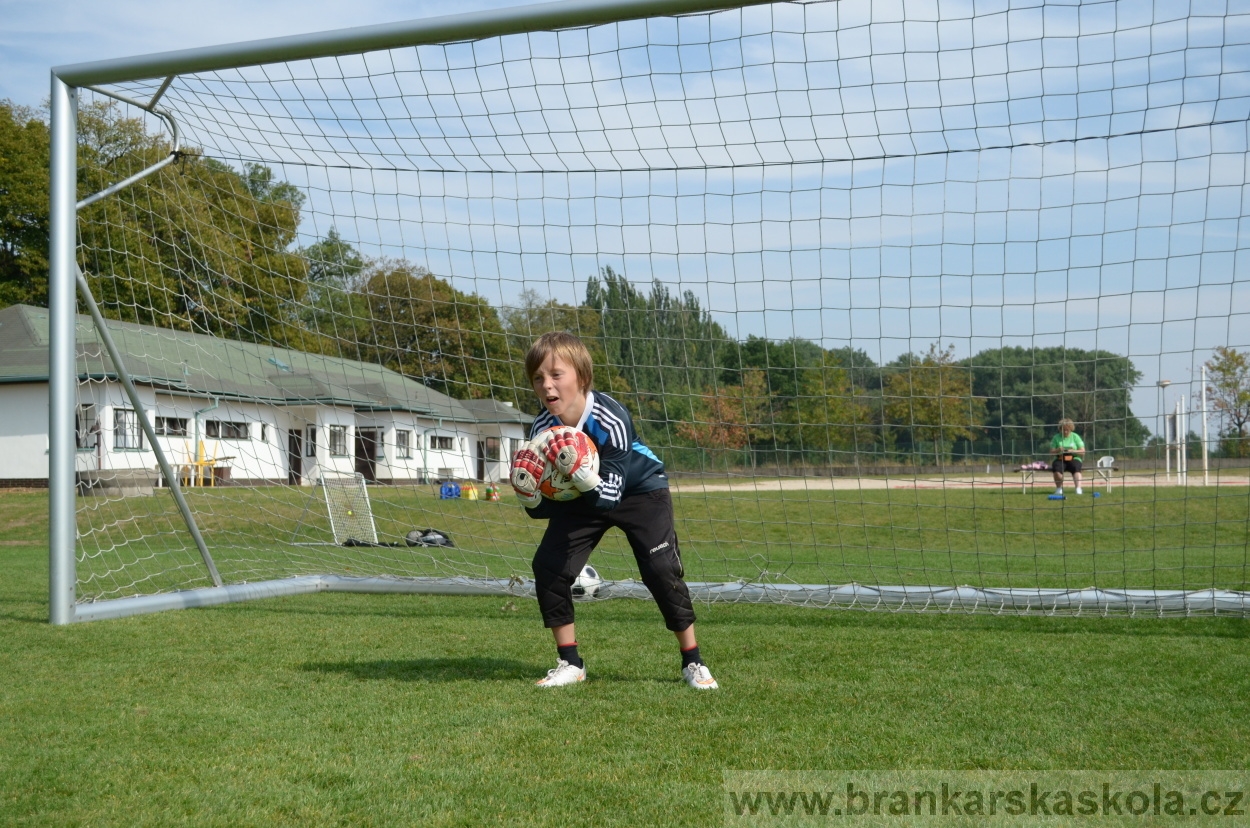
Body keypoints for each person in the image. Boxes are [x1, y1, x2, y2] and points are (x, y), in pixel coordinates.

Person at [509, 331, 717, 690]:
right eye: (538, 378)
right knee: (549, 565)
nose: (547, 385)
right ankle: (570, 663)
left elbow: (609, 496)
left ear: (582, 376)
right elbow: (543, 510)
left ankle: (693, 661)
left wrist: (580, 472)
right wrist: (529, 496)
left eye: (557, 374)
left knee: (660, 569)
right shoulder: (541, 429)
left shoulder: (611, 417)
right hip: (583, 496)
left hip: (639, 490)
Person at [1049, 418, 1086, 495]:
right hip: (1060, 458)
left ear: (1071, 429)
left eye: (1067, 430)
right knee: (1057, 469)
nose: (1065, 431)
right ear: (1060, 429)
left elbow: (1082, 451)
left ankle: (1078, 488)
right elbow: (1051, 452)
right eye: (1063, 430)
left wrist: (1073, 451)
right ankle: (1059, 488)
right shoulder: (1056, 437)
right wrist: (1058, 450)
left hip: (1074, 458)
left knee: (1076, 468)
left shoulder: (1076, 437)